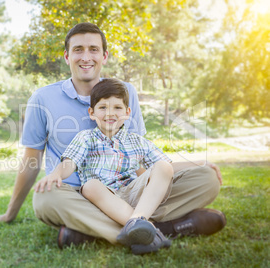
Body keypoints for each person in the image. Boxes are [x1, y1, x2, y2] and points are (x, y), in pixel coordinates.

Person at [0, 22, 226, 254]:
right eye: (78, 50)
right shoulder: (42, 99)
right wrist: (10, 213)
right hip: (77, 195)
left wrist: (195, 166)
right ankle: (160, 229)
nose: (86, 57)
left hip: (129, 189)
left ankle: (98, 231)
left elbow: (141, 161)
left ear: (104, 56)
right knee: (45, 197)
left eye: (94, 49)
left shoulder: (125, 92)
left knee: (207, 178)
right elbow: (32, 159)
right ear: (67, 56)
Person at [34, 78, 175, 254]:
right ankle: (152, 230)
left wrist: (202, 164)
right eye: (103, 107)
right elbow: (69, 162)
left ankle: (137, 221)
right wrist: (56, 174)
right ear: (92, 112)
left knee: (164, 166)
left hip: (134, 195)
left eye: (117, 107)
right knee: (90, 185)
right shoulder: (86, 138)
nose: (110, 113)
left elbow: (167, 167)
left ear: (127, 112)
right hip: (100, 199)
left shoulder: (138, 141)